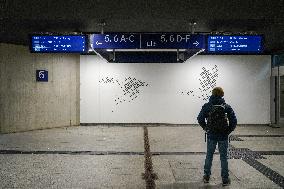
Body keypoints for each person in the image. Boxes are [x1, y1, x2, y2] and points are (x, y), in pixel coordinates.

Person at [197, 87, 237, 186]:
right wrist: (228, 131)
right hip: (223, 135)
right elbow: (234, 121)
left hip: (211, 135)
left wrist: (206, 128)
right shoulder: (226, 107)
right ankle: (225, 179)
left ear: (212, 94)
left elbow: (200, 118)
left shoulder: (207, 106)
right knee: (223, 157)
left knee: (209, 155)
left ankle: (206, 176)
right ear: (222, 94)